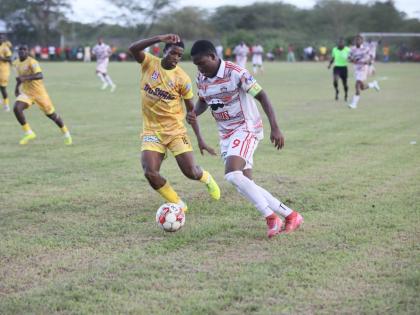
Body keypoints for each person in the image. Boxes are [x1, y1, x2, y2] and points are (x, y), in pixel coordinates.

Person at [189, 40, 303, 238]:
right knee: (245, 184)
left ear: (213, 57)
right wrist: (194, 113)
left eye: (202, 63)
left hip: (246, 127)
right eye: (196, 65)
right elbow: (203, 101)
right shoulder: (202, 77)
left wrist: (275, 127)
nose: (200, 68)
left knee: (232, 174)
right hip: (225, 134)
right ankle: (291, 215)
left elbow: (263, 96)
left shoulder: (236, 72)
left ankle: (270, 217)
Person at [128, 34, 221, 212]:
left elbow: (192, 112)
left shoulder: (182, 79)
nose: (176, 59)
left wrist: (200, 139)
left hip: (176, 132)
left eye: (179, 55)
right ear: (164, 51)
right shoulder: (149, 63)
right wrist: (159, 38)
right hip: (152, 132)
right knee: (150, 172)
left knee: (191, 172)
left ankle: (207, 178)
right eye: (173, 53)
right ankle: (179, 204)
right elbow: (133, 48)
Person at [13, 45, 72, 145]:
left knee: (51, 115)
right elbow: (19, 78)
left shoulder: (32, 62)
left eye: (24, 50)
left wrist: (25, 78)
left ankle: (66, 134)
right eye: (20, 50)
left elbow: (40, 75)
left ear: (28, 51)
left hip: (39, 93)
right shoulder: (16, 63)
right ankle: (29, 133)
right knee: (16, 108)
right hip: (27, 92)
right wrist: (16, 88)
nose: (22, 51)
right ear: (17, 52)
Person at [348, 35, 380, 109]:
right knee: (362, 87)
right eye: (356, 40)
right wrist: (352, 60)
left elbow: (371, 57)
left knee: (357, 85)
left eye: (359, 40)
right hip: (356, 69)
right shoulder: (352, 49)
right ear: (354, 41)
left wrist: (369, 63)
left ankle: (354, 104)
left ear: (362, 41)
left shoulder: (366, 48)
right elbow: (348, 58)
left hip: (363, 68)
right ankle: (373, 84)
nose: (357, 41)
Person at [0, 33, 12, 112]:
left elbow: (9, 59)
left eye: (1, 38)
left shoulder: (5, 48)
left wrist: (1, 58)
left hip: (3, 71)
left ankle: (6, 105)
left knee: (3, 88)